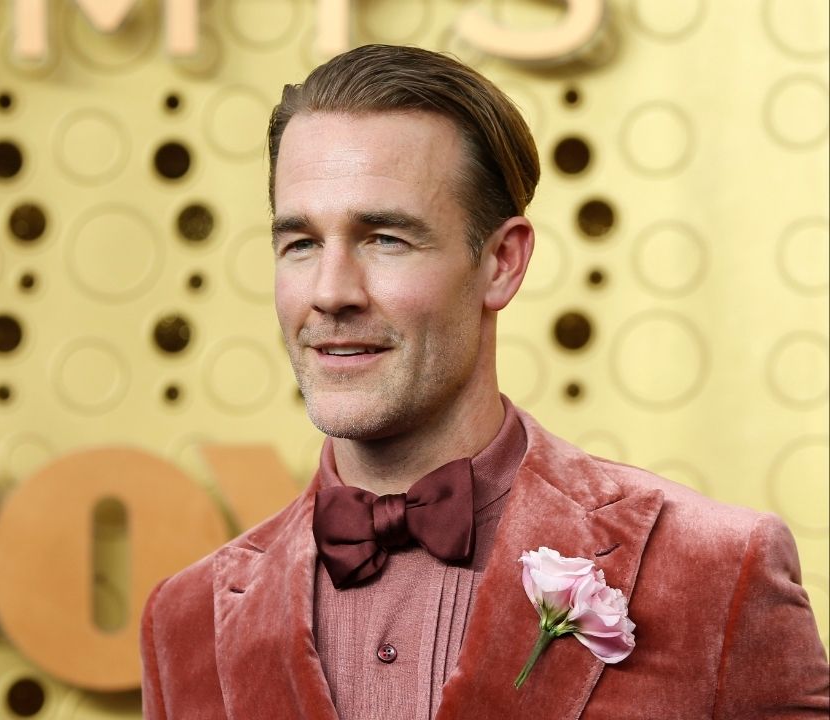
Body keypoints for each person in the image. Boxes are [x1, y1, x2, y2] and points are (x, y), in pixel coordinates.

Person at [139, 44, 829, 719]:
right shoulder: (185, 620)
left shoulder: (717, 572)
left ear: (502, 262)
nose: (330, 293)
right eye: (301, 243)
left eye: (385, 238)